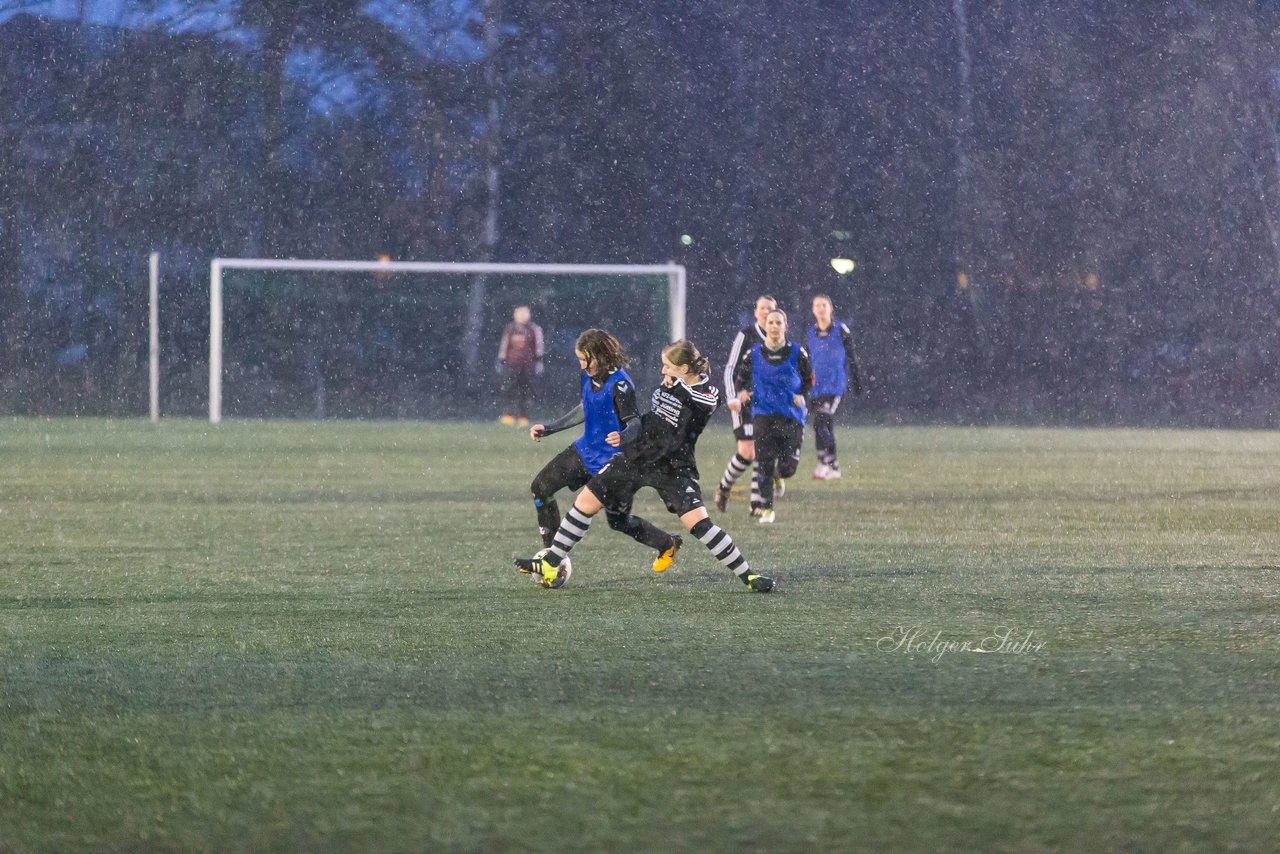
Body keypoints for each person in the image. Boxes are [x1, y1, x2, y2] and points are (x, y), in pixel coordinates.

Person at [515, 340, 775, 593]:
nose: (663, 371)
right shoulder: (674, 382)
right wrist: (627, 436)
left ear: (684, 368)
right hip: (637, 455)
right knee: (585, 503)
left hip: (673, 465)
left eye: (667, 366)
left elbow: (704, 403)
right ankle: (551, 560)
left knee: (699, 524)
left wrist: (679, 387)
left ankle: (748, 575)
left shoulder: (707, 393)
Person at [528, 329, 640, 548]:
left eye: (585, 360)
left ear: (601, 356)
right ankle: (552, 556)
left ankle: (667, 542)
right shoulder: (587, 375)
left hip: (611, 462)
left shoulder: (621, 385)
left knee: (619, 522)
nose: (582, 365)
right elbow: (585, 408)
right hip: (584, 451)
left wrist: (623, 436)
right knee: (540, 488)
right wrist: (550, 428)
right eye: (579, 359)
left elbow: (635, 423)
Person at [732, 308, 813, 524]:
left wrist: (802, 396)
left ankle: (779, 475)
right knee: (764, 462)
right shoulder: (754, 354)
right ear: (764, 327)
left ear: (786, 327)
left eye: (779, 322)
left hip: (791, 417)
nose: (774, 326)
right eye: (771, 323)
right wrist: (742, 395)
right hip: (763, 416)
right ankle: (767, 508)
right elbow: (740, 380)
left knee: (788, 468)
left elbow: (809, 380)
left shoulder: (798, 352)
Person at [714, 294, 777, 514]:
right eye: (763, 308)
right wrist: (733, 396)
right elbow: (731, 368)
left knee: (763, 450)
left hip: (767, 405)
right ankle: (724, 487)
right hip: (745, 401)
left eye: (771, 309)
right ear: (756, 312)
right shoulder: (747, 335)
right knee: (748, 452)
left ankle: (756, 503)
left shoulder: (779, 342)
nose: (767, 312)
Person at [807, 294, 864, 480]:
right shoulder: (810, 333)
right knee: (824, 426)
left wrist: (856, 382)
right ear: (813, 310)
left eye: (824, 305)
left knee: (821, 421)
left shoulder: (841, 330)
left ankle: (824, 462)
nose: (821, 308)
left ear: (831, 308)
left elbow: (852, 357)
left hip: (834, 387)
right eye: (817, 305)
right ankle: (834, 466)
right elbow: (805, 359)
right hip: (816, 388)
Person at [496, 305, 544, 425]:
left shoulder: (534, 329)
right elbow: (504, 345)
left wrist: (539, 361)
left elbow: (539, 346)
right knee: (509, 389)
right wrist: (501, 360)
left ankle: (523, 416)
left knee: (525, 391)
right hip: (511, 365)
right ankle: (509, 415)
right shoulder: (510, 329)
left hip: (527, 365)